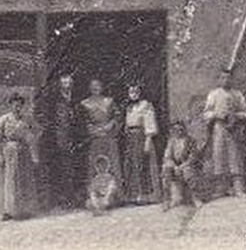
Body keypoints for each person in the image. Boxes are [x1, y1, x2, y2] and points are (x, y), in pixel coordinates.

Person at [0, 95, 41, 220]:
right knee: (9, 181)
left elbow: (38, 130)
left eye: (20, 105)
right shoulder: (3, 119)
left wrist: (31, 140)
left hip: (24, 151)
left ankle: (23, 210)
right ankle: (7, 211)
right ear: (10, 105)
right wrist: (0, 155)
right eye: (14, 104)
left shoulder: (27, 119)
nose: (17, 107)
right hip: (9, 151)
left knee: (24, 180)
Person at [201, 68, 246, 197]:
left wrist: (235, 116)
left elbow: (245, 113)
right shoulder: (214, 94)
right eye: (223, 78)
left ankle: (238, 188)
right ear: (219, 80)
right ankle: (220, 188)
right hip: (219, 127)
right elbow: (206, 113)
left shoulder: (237, 94)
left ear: (232, 79)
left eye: (228, 78)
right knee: (219, 156)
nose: (226, 80)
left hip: (234, 129)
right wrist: (217, 114)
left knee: (235, 156)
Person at [39, 73, 83, 208]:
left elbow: (79, 120)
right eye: (64, 83)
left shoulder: (76, 100)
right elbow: (50, 121)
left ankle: (71, 199)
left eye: (69, 83)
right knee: (58, 170)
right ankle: (59, 200)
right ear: (60, 85)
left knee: (72, 170)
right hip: (57, 140)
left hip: (74, 140)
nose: (67, 86)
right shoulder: (54, 101)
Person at [80, 77, 122, 208]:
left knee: (112, 164)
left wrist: (110, 125)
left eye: (98, 85)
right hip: (95, 137)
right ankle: (95, 197)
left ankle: (115, 196)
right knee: (96, 164)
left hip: (108, 136)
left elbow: (117, 116)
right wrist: (92, 130)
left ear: (102, 87)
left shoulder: (109, 101)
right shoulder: (85, 103)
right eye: (92, 86)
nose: (95, 88)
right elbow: (83, 122)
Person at [121, 84, 161, 205]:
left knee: (142, 164)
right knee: (131, 165)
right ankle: (133, 195)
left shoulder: (146, 105)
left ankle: (145, 195)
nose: (133, 94)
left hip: (141, 136)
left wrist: (148, 140)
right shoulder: (129, 107)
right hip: (130, 138)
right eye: (131, 92)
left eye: (136, 91)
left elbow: (149, 123)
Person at [159, 120, 200, 210]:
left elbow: (192, 157)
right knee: (166, 171)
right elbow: (167, 156)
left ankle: (195, 198)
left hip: (187, 164)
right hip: (175, 165)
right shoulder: (171, 142)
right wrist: (174, 166)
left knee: (188, 172)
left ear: (184, 129)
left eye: (181, 129)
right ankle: (167, 200)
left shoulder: (191, 141)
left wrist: (182, 166)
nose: (178, 131)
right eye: (175, 130)